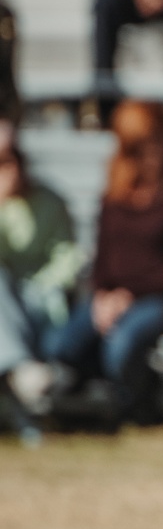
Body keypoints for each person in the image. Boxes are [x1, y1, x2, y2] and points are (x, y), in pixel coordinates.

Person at [49, 101, 163, 417]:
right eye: (141, 145)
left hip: (159, 298)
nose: (151, 152)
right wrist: (104, 297)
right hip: (111, 297)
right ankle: (100, 395)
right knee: (61, 344)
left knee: (122, 343)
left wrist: (128, 296)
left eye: (158, 140)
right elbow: (103, 257)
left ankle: (133, 403)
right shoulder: (113, 197)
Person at [0, 123, 82, 412]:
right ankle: (21, 368)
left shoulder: (50, 201)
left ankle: (19, 369)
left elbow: (67, 258)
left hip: (44, 300)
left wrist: (39, 287)